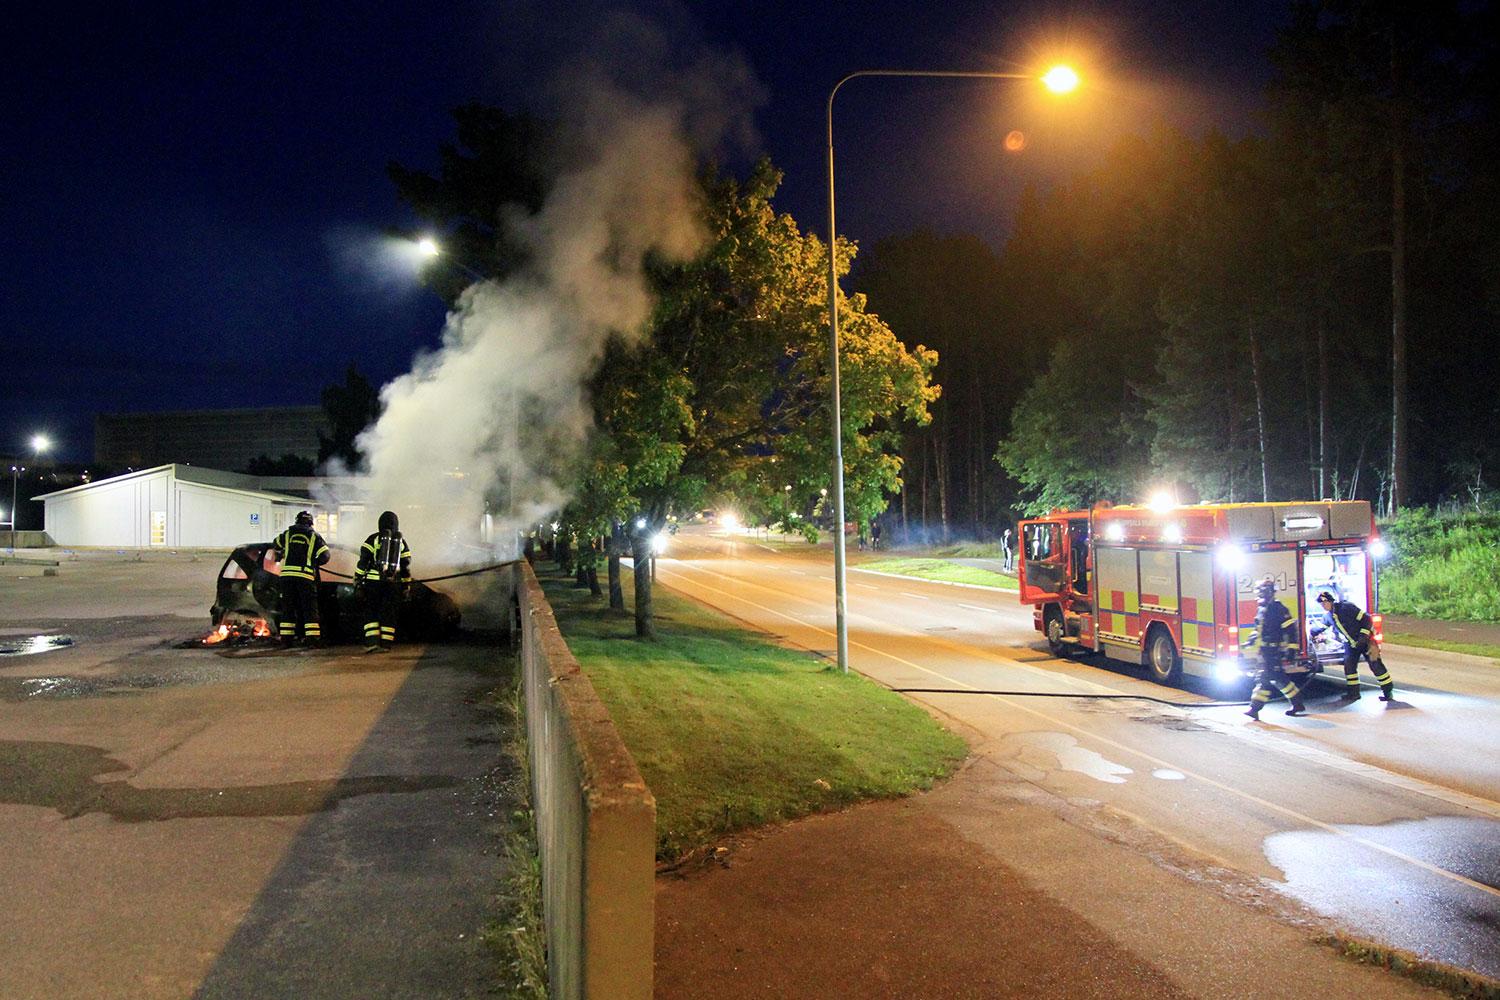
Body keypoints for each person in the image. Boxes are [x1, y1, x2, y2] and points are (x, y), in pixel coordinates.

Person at [1310, 590, 1395, 702]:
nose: (1323, 606)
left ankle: (1388, 692)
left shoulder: (1346, 607)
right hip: (1350, 644)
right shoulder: (1328, 616)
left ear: (1330, 601)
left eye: (1324, 603)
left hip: (1366, 641)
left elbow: (1366, 618)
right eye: (1321, 604)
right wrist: (1309, 633)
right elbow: (1319, 628)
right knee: (1349, 667)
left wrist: (1363, 636)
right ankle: (1354, 693)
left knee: (1376, 665)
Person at [1246, 576, 1307, 719]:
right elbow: (1258, 628)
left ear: (1270, 592)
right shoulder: (1262, 609)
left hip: (1274, 651)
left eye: (1262, 592)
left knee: (1267, 678)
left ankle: (1255, 708)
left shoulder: (1279, 609)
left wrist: (1292, 649)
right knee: (1274, 678)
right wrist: (1251, 640)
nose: (1260, 595)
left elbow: (1291, 630)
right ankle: (1296, 703)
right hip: (1265, 651)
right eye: (1259, 592)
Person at [270, 510, 330, 647]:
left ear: (297, 521)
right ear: (310, 523)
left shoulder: (287, 534)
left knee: (288, 609)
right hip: (305, 577)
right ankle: (312, 641)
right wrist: (313, 563)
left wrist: (283, 552)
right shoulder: (314, 537)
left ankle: (286, 641)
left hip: (287, 577)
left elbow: (275, 544)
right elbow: (325, 556)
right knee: (309, 609)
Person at [356, 510, 412, 653]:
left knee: (371, 610)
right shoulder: (401, 543)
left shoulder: (372, 539)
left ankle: (371, 642)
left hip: (373, 582)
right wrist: (406, 585)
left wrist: (358, 580)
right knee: (389, 613)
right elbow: (406, 567)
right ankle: (386, 644)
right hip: (393, 583)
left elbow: (363, 562)